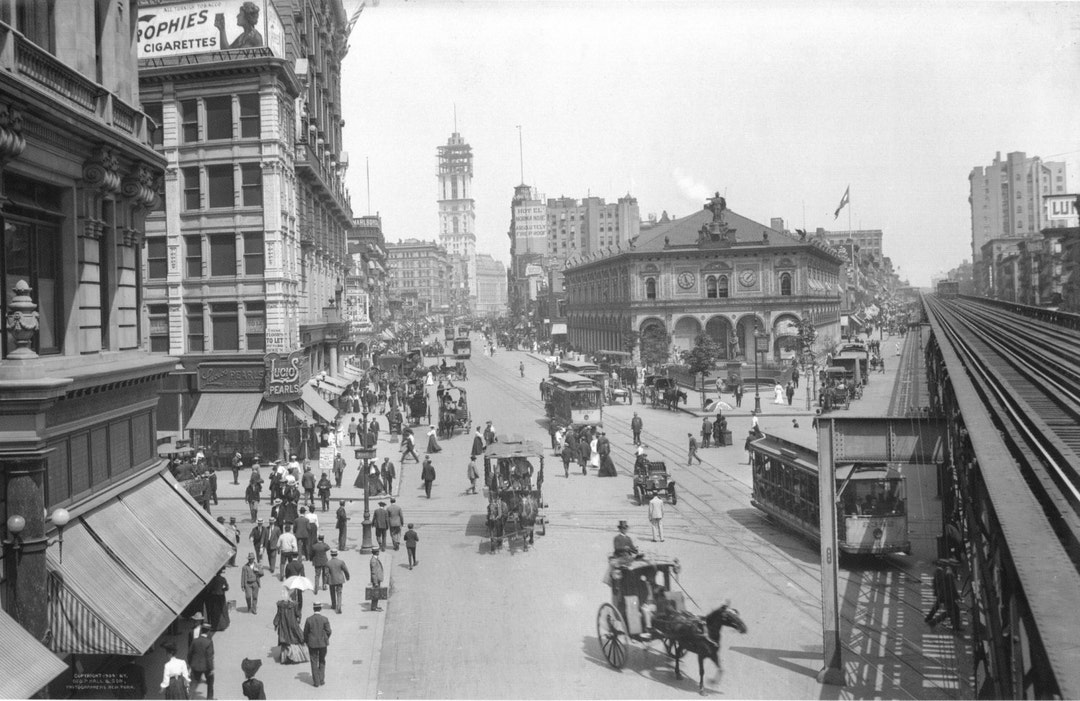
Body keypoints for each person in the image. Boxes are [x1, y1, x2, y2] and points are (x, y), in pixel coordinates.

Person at [926, 559, 964, 631]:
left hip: (945, 595)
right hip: (948, 596)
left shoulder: (947, 572)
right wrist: (957, 596)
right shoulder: (949, 573)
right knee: (951, 611)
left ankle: (955, 626)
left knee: (953, 610)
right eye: (956, 566)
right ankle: (934, 622)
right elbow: (951, 587)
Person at [303, 602, 332, 687]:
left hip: (312, 644)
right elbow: (329, 631)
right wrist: (325, 638)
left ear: (313, 609)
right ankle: (321, 679)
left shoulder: (309, 619)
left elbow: (305, 632)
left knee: (313, 661)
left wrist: (306, 641)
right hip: (323, 643)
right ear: (320, 609)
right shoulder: (325, 619)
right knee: (322, 660)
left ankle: (316, 682)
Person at [273, 597, 306, 664]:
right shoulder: (294, 605)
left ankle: (286, 657)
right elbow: (298, 614)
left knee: (285, 642)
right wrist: (299, 618)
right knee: (295, 640)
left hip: (283, 625)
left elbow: (278, 615)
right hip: (293, 625)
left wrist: (275, 624)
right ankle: (295, 657)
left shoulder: (280, 605)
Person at [187, 627, 215, 700]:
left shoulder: (195, 641)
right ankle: (209, 698)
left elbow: (189, 654)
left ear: (201, 631)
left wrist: (190, 664)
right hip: (206, 667)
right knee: (210, 682)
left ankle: (189, 698)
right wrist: (211, 668)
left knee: (194, 683)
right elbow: (209, 656)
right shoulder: (209, 642)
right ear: (208, 631)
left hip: (195, 666)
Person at [326, 549, 350, 613]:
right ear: (337, 554)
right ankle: (339, 607)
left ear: (331, 555)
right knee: (339, 593)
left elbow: (326, 573)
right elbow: (345, 570)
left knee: (332, 592)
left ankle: (333, 605)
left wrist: (327, 580)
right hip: (339, 579)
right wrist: (347, 577)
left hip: (331, 580)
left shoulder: (328, 563)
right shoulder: (341, 562)